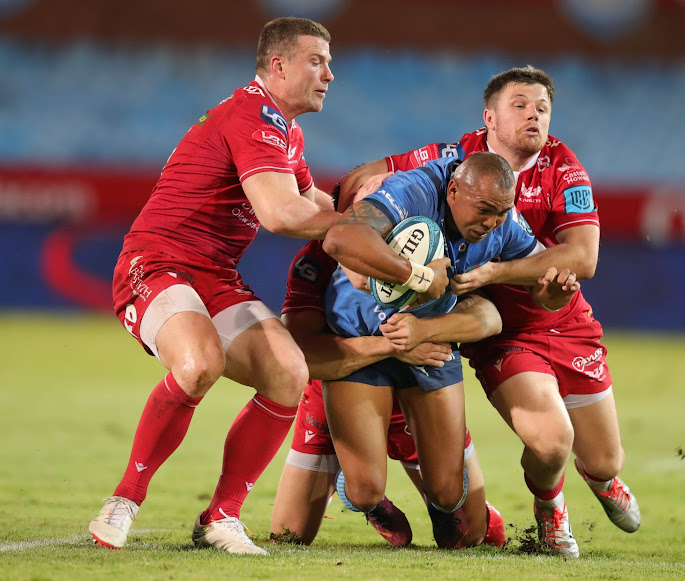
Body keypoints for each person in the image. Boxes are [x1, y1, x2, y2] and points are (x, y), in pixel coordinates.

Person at [338, 65, 640, 557]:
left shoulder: (563, 167)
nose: (533, 115)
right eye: (520, 105)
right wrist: (360, 198)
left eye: (542, 108)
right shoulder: (453, 157)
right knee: (550, 441)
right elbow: (368, 174)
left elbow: (582, 258)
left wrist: (497, 275)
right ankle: (550, 513)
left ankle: (602, 480)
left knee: (605, 460)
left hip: (561, 318)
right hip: (498, 332)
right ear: (489, 118)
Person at [88, 17, 342, 555]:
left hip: (213, 274)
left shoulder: (283, 128)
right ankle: (125, 498)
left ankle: (221, 516)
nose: (329, 74)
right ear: (278, 66)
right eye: (316, 61)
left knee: (289, 372)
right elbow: (279, 212)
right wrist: (364, 231)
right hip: (155, 262)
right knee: (199, 362)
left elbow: (313, 199)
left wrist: (376, 211)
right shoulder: (254, 115)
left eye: (329, 62)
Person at [321, 152, 580, 549]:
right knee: (364, 491)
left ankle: (417, 448)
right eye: (485, 210)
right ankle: (366, 491)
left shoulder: (502, 222)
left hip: (428, 340)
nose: (491, 223)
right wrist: (419, 276)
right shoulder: (413, 190)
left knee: (447, 496)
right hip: (363, 331)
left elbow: (540, 282)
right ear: (454, 189)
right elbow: (340, 238)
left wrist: (552, 294)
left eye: (501, 213)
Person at [269, 235, 507, 547]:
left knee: (474, 534)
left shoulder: (430, 239)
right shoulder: (319, 257)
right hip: (346, 383)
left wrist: (424, 331)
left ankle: (437, 503)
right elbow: (301, 354)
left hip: (420, 386)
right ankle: (369, 499)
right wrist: (393, 346)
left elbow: (487, 316)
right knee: (289, 534)